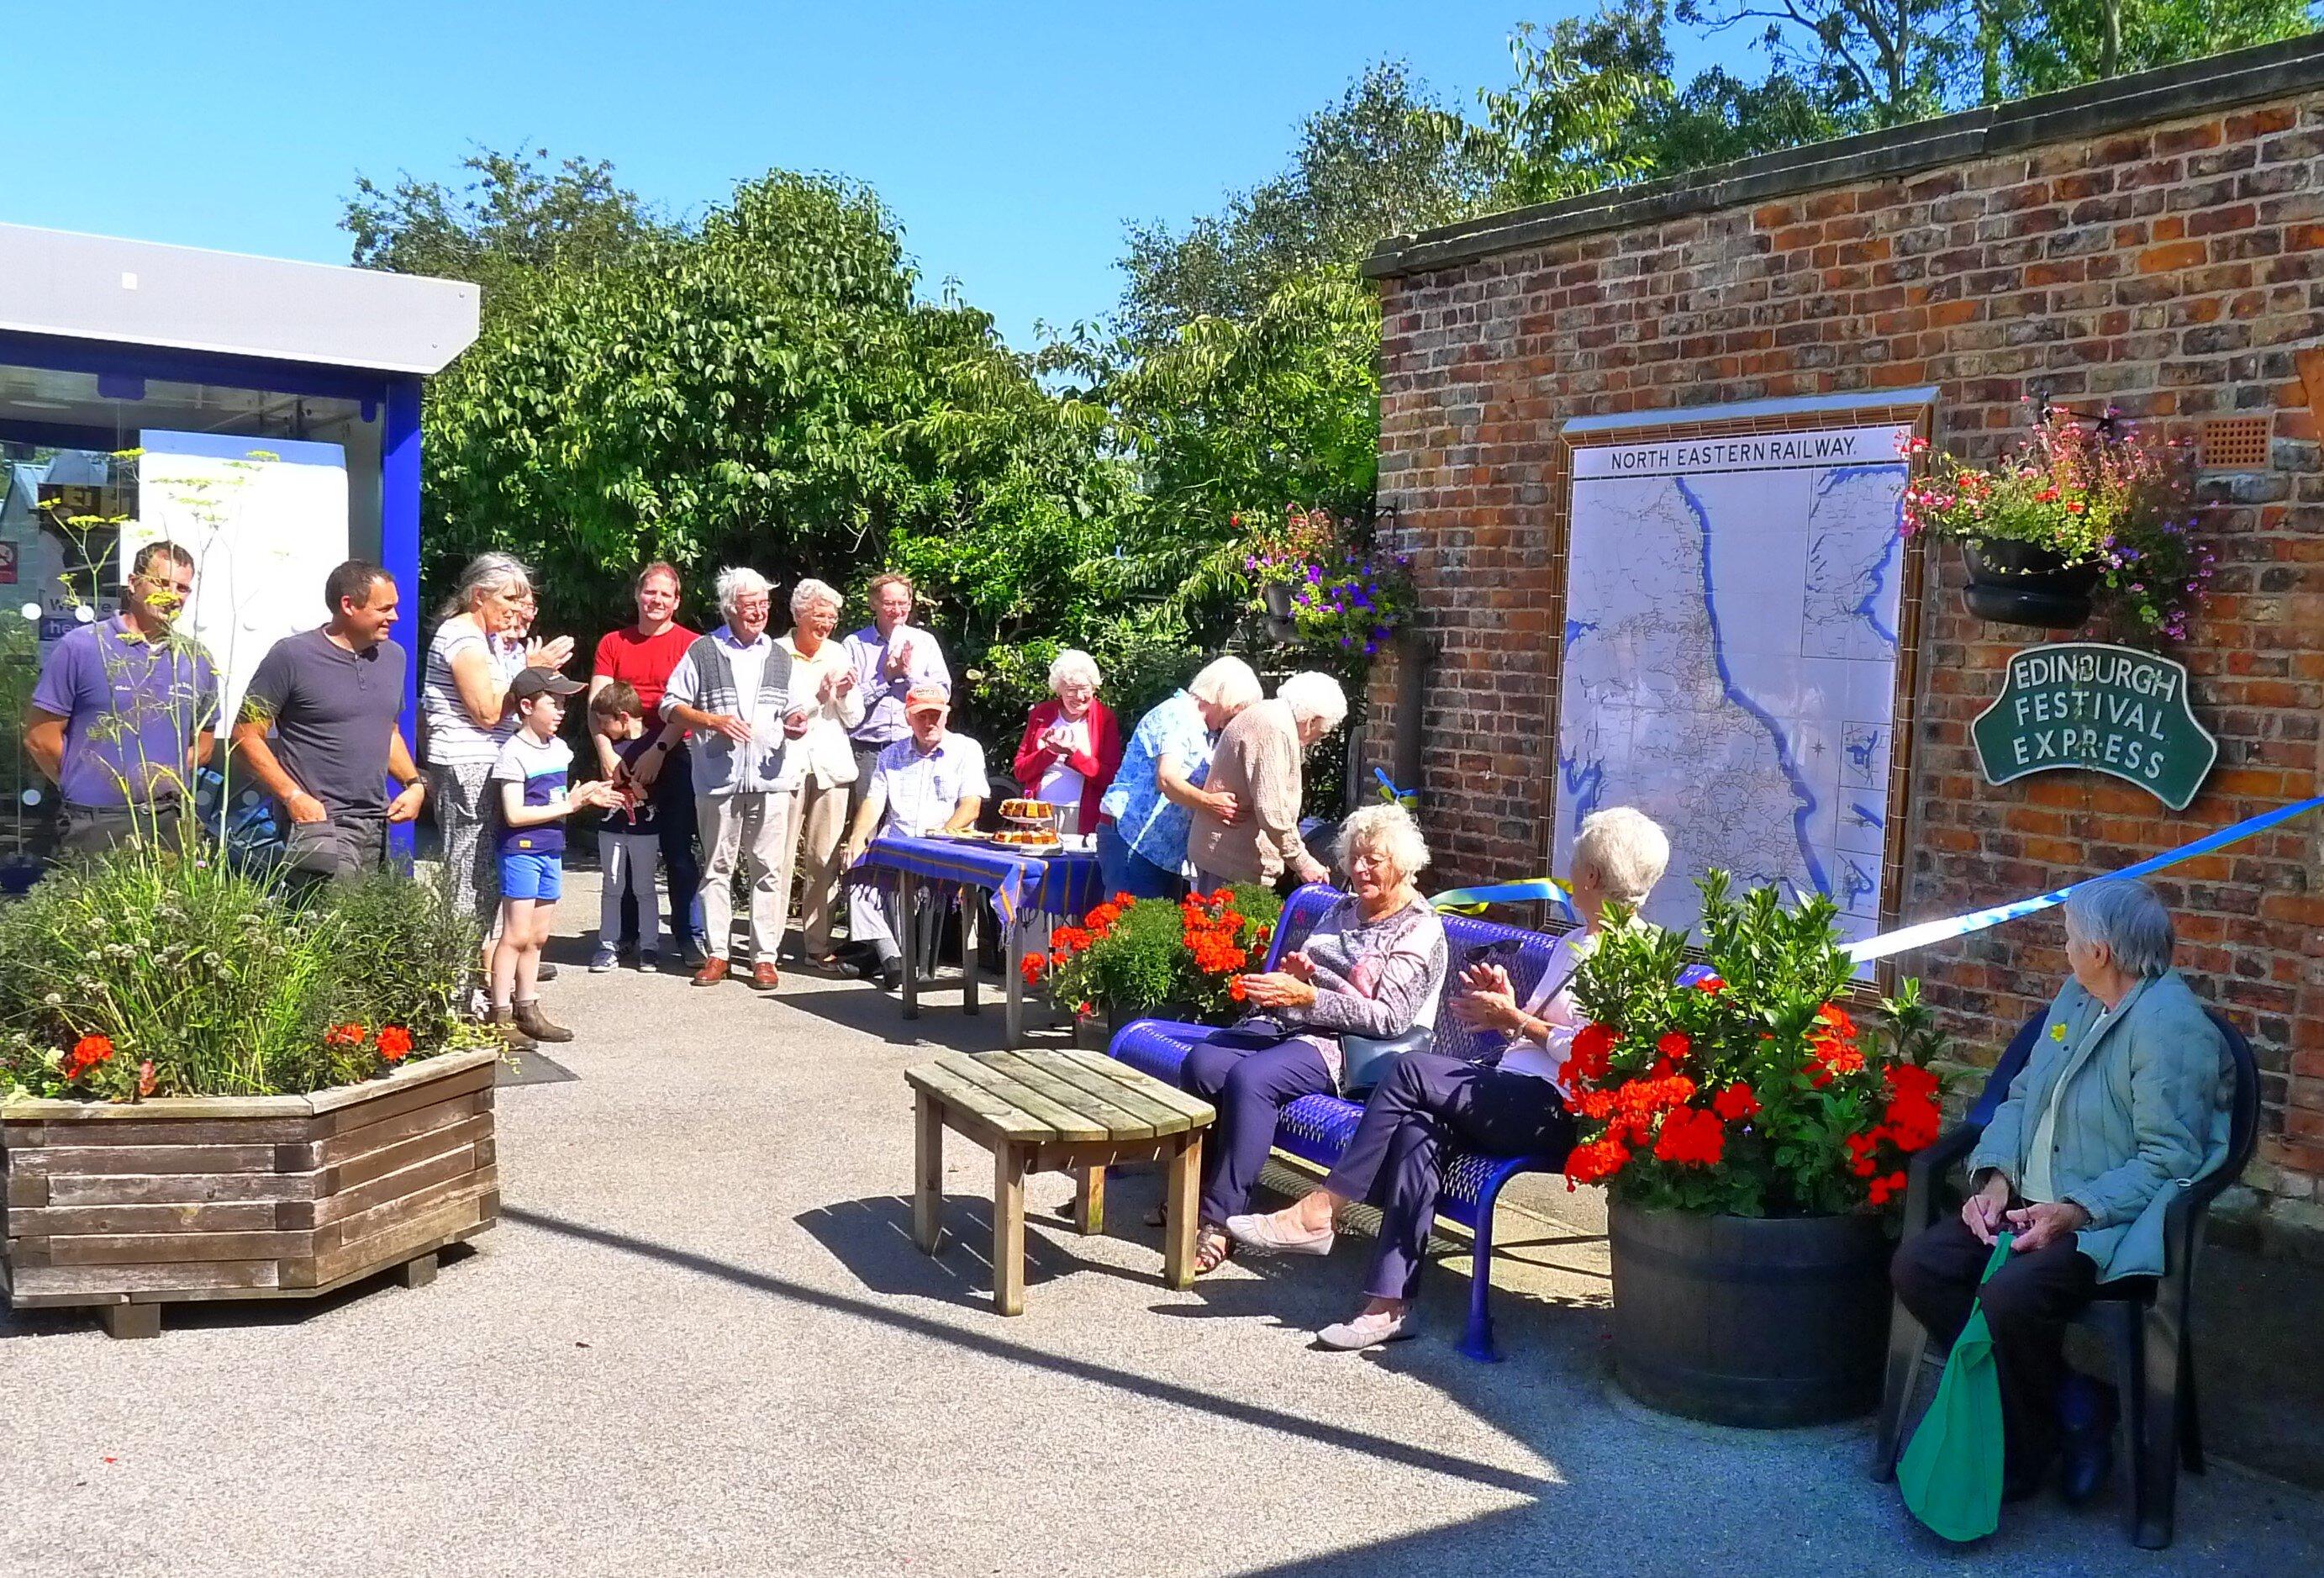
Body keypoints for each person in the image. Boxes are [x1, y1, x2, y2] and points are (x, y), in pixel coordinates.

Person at [1228, 807, 1672, 1350]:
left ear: (1593, 878)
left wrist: (1517, 1021)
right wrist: (1506, 1007)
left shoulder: (1632, 956)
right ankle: (1386, 1306)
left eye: (1576, 861)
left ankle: (1322, 1209)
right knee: (1418, 1124)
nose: (1570, 868)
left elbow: (1595, 1057)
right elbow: (1539, 1028)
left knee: (1412, 1069)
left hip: (1554, 1111)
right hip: (1510, 1091)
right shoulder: (1573, 941)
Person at [1891, 879, 2232, 1507]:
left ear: (2099, 950)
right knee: (1919, 1266)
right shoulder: (2075, 996)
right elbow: (2021, 1096)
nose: (2063, 948)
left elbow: (2170, 1159)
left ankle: (2027, 1440)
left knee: (2007, 1295)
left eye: (2070, 938)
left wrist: (2073, 1211)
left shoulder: (2169, 1027)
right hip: (2027, 1201)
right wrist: (1993, 1177)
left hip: (2101, 1223)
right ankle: (2073, 1405)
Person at [1178, 803, 1447, 1276]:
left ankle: (1219, 1220)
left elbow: (1389, 1018)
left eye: (1374, 860)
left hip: (1345, 1048)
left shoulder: (1419, 929)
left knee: (1251, 1079)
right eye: (1355, 858)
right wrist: (1294, 979)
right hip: (1294, 1023)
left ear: (1402, 864)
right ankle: (1193, 1193)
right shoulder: (1344, 910)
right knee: (1204, 1061)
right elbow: (1308, 973)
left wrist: (1309, 995)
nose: (1360, 869)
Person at [234, 560, 425, 883]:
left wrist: (414, 784)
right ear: (348, 605)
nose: (394, 617)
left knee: (366, 928)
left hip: (376, 822)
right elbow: (245, 735)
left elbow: (387, 732)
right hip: (319, 823)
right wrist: (293, 798)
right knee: (327, 923)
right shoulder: (292, 656)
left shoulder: (393, 657)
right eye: (385, 608)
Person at [25, 540, 218, 855]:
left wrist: (162, 779)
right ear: (133, 583)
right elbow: (39, 737)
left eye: (182, 588)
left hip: (169, 822)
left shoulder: (196, 659)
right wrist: (90, 782)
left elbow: (205, 743)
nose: (172, 596)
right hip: (96, 822)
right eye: (161, 582)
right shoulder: (84, 647)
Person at [660, 567, 798, 990]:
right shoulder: (704, 651)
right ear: (730, 608)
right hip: (718, 778)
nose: (759, 612)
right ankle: (718, 953)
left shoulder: (779, 655)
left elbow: (794, 708)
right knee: (717, 868)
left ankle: (764, 958)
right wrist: (711, 720)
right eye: (749, 604)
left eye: (763, 604)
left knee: (769, 870)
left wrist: (796, 721)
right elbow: (670, 705)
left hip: (771, 777)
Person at [422, 552, 571, 937]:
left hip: (491, 763)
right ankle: (457, 985)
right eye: (508, 599)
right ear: (478, 596)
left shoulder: (490, 640)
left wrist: (529, 669)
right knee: (470, 877)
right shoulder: (462, 636)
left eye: (521, 601)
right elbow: (488, 712)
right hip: (468, 765)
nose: (515, 610)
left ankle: (479, 977)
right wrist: (529, 671)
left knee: (487, 876)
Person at [485, 668, 621, 1048]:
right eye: (553, 703)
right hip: (522, 852)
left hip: (551, 850)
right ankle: (500, 1014)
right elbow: (514, 815)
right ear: (527, 706)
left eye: (563, 703)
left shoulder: (559, 749)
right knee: (515, 935)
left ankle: (528, 1008)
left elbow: (559, 800)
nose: (561, 710)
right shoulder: (513, 754)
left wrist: (587, 795)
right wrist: (571, 804)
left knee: (539, 936)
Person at [588, 562, 703, 969]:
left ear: (677, 601)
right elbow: (596, 705)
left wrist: (659, 748)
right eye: (649, 592)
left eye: (665, 595)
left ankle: (689, 937)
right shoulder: (613, 643)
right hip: (622, 758)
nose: (656, 601)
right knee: (626, 850)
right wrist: (607, 753)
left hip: (676, 754)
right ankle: (627, 937)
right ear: (638, 595)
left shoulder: (693, 644)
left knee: (678, 850)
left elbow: (691, 706)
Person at [839, 683, 989, 990]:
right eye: (921, 716)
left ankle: (885, 957)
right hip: (897, 846)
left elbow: (971, 807)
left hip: (943, 849)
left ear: (947, 715)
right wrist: (856, 838)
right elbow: (873, 803)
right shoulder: (890, 755)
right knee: (856, 872)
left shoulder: (966, 749)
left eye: (935, 715)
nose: (929, 722)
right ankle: (893, 959)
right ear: (908, 718)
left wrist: (941, 836)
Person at [1096, 656, 1263, 899]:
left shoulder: (1202, 729)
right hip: (1133, 840)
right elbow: (1166, 779)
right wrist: (1210, 803)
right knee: (1129, 931)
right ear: (1225, 695)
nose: (1237, 718)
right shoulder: (1177, 716)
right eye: (1239, 707)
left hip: (1163, 851)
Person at [773, 578, 865, 971]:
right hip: (785, 766)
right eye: (820, 615)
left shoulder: (839, 652)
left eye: (832, 617)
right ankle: (767, 948)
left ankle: (816, 945)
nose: (826, 623)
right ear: (798, 614)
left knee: (823, 860)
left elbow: (855, 717)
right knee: (774, 857)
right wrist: (818, 696)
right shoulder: (774, 653)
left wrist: (842, 693)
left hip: (831, 767)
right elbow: (774, 714)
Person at [1185, 670, 1346, 893]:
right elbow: (1273, 810)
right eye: (1320, 733)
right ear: (1312, 721)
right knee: (1224, 927)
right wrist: (1303, 862)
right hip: (1230, 865)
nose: (1314, 740)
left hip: (1227, 860)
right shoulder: (1275, 728)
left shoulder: (1271, 716)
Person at [842, 572, 950, 808]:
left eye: (902, 603)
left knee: (908, 820)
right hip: (867, 750)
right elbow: (846, 704)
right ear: (874, 604)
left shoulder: (925, 642)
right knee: (867, 826)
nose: (897, 610)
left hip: (911, 746)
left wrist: (909, 674)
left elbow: (942, 694)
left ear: (910, 604)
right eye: (889, 603)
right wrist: (886, 678)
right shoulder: (854, 644)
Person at [588, 682, 666, 970]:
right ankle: (607, 945)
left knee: (645, 888)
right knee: (612, 887)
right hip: (611, 826)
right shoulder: (608, 748)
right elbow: (597, 783)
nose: (601, 729)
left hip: (645, 828)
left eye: (604, 722)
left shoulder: (654, 744)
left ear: (623, 717)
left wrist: (647, 794)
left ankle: (649, 947)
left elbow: (666, 786)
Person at [1009, 649, 1122, 836]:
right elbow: (1020, 771)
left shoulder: (1105, 718)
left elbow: (1110, 777)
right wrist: (1050, 752)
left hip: (1083, 814)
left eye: (1085, 689)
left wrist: (1073, 755)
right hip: (1039, 813)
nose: (1079, 697)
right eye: (1071, 690)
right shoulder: (1041, 715)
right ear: (1059, 689)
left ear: (1094, 687)